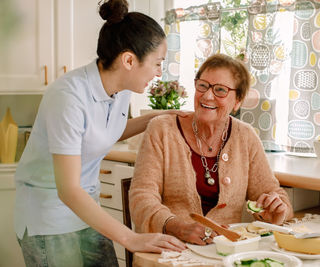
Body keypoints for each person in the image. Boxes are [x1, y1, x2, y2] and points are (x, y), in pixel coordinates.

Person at [14, 0, 186, 266]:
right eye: (157, 63)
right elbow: (69, 190)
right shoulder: (68, 97)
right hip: (49, 219)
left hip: (87, 212)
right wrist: (130, 238)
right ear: (129, 60)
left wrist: (162, 116)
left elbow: (104, 133)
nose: (158, 72)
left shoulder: (120, 90)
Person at [129, 54, 293, 245]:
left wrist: (277, 211)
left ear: (238, 100)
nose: (207, 95)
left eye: (220, 90)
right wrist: (177, 226)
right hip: (171, 250)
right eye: (203, 86)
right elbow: (141, 198)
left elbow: (273, 194)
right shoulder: (162, 129)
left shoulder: (245, 136)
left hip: (224, 254)